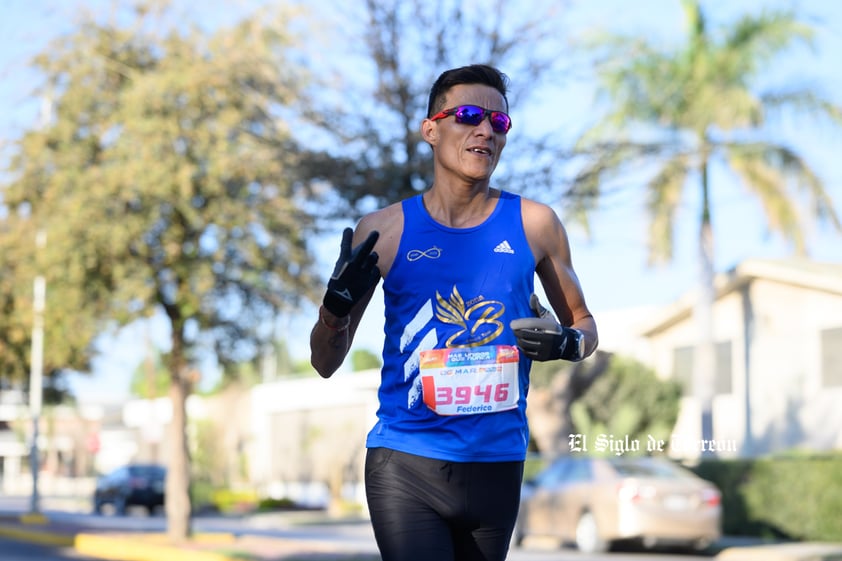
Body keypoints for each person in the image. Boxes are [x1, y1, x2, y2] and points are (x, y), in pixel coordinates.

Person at [310, 64, 598, 561]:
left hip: (498, 462)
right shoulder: (384, 231)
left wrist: (566, 343)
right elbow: (324, 362)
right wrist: (334, 309)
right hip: (405, 460)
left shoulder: (536, 224)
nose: (485, 130)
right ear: (431, 129)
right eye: (467, 115)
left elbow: (585, 325)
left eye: (498, 122)